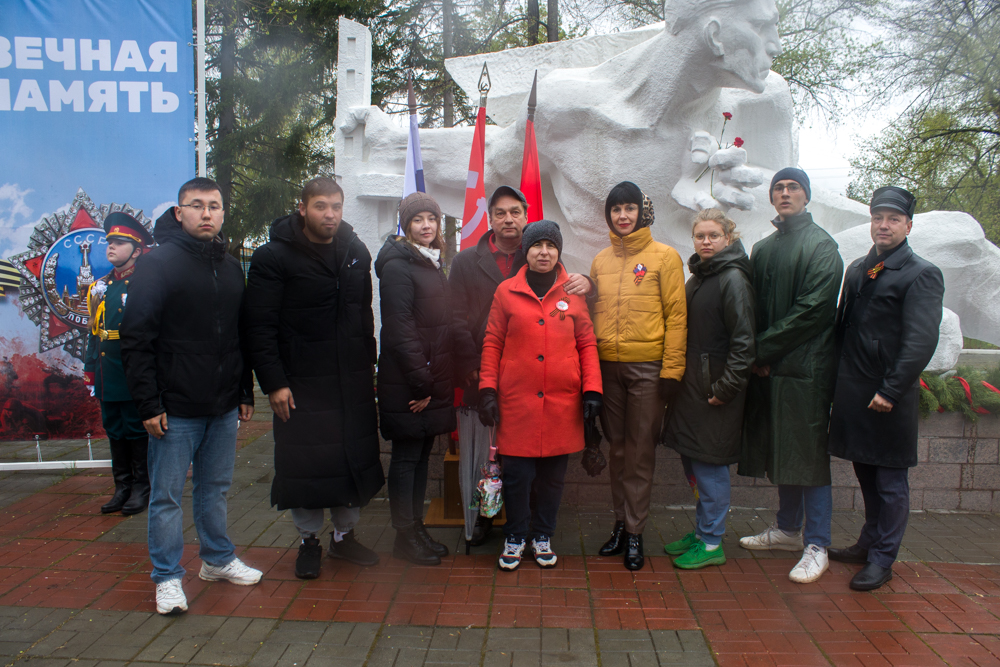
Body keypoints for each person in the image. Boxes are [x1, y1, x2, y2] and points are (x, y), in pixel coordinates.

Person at [121, 177, 260, 616]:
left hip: (222, 405)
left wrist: (243, 390)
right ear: (180, 213)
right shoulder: (157, 264)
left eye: (214, 206)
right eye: (197, 205)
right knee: (166, 497)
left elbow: (240, 334)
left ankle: (216, 559)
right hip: (174, 408)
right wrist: (149, 404)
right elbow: (136, 338)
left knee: (214, 489)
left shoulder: (231, 266)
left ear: (222, 213)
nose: (206, 213)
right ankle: (166, 577)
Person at [244, 176, 383, 579]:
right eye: (321, 206)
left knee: (350, 461)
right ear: (302, 208)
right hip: (300, 384)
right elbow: (260, 327)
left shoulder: (355, 251)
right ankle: (309, 542)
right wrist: (274, 382)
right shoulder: (273, 257)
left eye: (336, 206)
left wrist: (369, 365)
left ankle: (344, 537)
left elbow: (363, 315)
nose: (330, 214)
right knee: (305, 465)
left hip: (351, 381)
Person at [450, 186, 594, 546]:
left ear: (526, 218)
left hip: (548, 392)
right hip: (487, 375)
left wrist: (590, 283)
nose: (508, 219)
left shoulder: (545, 268)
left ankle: (536, 531)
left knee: (536, 470)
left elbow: (584, 337)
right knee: (493, 461)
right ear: (490, 218)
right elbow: (457, 318)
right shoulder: (468, 262)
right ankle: (489, 521)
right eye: (500, 213)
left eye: (515, 212)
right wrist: (475, 372)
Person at [828, 187, 944, 591]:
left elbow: (920, 341)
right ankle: (868, 543)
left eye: (893, 219)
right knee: (865, 472)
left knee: (891, 483)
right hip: (855, 391)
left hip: (888, 397)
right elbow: (842, 329)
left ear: (908, 226)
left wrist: (891, 390)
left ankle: (882, 559)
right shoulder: (858, 269)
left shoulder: (921, 273)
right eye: (878, 217)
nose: (883, 225)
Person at [477, 220, 603, 571]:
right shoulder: (506, 292)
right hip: (517, 403)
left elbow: (587, 343)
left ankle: (543, 535)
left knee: (552, 478)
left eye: (551, 246)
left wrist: (592, 389)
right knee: (517, 477)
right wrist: (487, 388)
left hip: (563, 403)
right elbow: (492, 341)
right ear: (526, 250)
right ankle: (515, 536)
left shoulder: (573, 292)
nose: (544, 252)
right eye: (537, 246)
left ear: (558, 251)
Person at [738, 168, 843, 584]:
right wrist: (757, 355)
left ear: (806, 196)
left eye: (793, 187)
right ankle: (786, 529)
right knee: (784, 450)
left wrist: (760, 350)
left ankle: (817, 544)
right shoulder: (763, 248)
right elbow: (752, 306)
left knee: (808, 456)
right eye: (778, 188)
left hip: (806, 371)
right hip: (770, 369)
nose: (785, 193)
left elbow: (813, 311)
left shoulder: (822, 246)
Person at [588, 181, 687, 571]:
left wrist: (672, 370)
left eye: (629, 208)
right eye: (616, 209)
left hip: (648, 369)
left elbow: (677, 317)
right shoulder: (600, 261)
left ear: (642, 213)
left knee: (640, 452)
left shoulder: (665, 257)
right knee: (618, 450)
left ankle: (635, 532)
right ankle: (620, 524)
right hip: (608, 369)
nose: (623, 215)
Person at [662, 209, 754, 569]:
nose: (706, 241)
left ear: (727, 238)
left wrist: (726, 388)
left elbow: (744, 341)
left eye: (713, 235)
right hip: (693, 391)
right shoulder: (701, 275)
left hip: (715, 393)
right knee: (694, 463)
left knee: (710, 467)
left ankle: (713, 542)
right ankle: (702, 531)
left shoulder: (732, 278)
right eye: (700, 236)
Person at [375, 192, 458, 566]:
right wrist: (422, 383)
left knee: (422, 456)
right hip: (409, 383)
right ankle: (404, 535)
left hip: (427, 378)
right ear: (405, 225)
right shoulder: (398, 266)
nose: (426, 226)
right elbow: (400, 329)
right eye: (418, 219)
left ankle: (415, 528)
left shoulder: (429, 262)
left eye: (432, 219)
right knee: (407, 458)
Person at [84, 212, 154, 516]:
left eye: (119, 242)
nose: (111, 246)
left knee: (136, 429)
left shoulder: (144, 284)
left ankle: (142, 487)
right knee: (114, 428)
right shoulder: (100, 287)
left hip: (131, 371)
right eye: (109, 242)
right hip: (106, 371)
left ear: (137, 251)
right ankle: (122, 487)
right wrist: (90, 369)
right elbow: (94, 332)